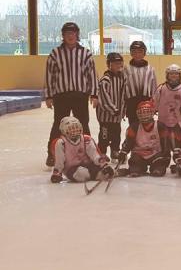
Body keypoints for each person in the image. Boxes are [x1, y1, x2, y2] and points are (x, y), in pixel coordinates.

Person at [44, 22, 98, 167]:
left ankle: (88, 153)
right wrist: (48, 96)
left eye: (73, 33)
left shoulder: (85, 53)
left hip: (80, 95)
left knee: (83, 124)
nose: (70, 36)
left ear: (77, 34)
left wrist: (94, 94)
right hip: (61, 95)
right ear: (63, 35)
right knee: (58, 125)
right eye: (67, 33)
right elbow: (50, 75)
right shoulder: (55, 53)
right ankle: (52, 154)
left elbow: (91, 74)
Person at [50, 116, 113, 183]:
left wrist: (103, 164)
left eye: (76, 127)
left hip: (88, 165)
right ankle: (98, 175)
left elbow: (94, 154)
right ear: (63, 130)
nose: (74, 130)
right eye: (71, 128)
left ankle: (100, 174)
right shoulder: (61, 143)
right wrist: (57, 173)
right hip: (72, 169)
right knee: (81, 174)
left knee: (96, 170)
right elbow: (59, 160)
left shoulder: (86, 139)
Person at [119, 101, 171, 177]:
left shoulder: (160, 126)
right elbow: (128, 142)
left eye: (147, 112)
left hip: (156, 154)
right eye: (142, 113)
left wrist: (166, 155)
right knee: (135, 164)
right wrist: (123, 152)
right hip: (139, 154)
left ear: (152, 113)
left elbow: (166, 143)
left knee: (159, 165)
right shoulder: (134, 127)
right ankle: (136, 168)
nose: (144, 115)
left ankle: (156, 168)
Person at [96, 52, 126, 162]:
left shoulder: (122, 78)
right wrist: (114, 109)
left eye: (120, 63)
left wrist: (123, 110)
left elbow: (123, 95)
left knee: (116, 134)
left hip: (116, 117)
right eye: (115, 63)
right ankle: (102, 153)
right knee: (104, 135)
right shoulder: (105, 80)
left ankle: (115, 151)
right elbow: (104, 97)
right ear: (109, 64)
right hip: (106, 116)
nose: (118, 65)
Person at [123, 41, 157, 125]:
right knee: (133, 126)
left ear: (144, 53)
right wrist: (123, 106)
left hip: (147, 102)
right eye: (134, 51)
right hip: (131, 103)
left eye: (140, 51)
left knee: (147, 126)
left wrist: (155, 104)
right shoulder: (126, 69)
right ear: (131, 53)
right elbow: (123, 88)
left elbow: (154, 87)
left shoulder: (150, 69)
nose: (137, 54)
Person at [153, 64, 181, 130]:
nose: (174, 75)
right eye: (171, 74)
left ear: (180, 75)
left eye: (176, 74)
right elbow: (155, 101)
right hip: (163, 121)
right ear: (167, 75)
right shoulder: (161, 88)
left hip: (180, 121)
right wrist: (153, 110)